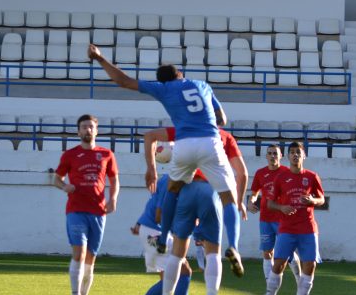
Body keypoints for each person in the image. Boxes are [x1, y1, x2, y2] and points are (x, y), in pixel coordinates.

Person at [88, 45, 244, 278]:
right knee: (228, 198)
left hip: (183, 144)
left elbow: (124, 81)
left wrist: (100, 59)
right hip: (211, 142)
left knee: (171, 190)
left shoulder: (162, 89)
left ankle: (162, 239)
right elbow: (222, 118)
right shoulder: (202, 84)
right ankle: (233, 245)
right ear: (180, 74)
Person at [142, 125, 247, 295]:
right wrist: (239, 201)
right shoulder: (225, 136)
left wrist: (152, 167)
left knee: (177, 254)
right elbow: (242, 173)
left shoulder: (186, 127)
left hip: (186, 193)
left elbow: (150, 136)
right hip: (211, 193)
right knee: (212, 253)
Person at [52, 114, 119, 295]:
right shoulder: (70, 155)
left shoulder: (106, 154)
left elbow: (114, 178)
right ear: (78, 131)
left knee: (91, 259)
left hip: (98, 211)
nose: (88, 130)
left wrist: (113, 198)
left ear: (96, 131)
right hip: (76, 210)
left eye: (91, 127)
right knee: (79, 253)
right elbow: (56, 179)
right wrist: (65, 187)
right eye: (84, 127)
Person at [254, 141, 325, 295]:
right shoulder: (280, 177)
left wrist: (313, 201)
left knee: (310, 265)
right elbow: (269, 203)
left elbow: (322, 198)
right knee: (278, 264)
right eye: (292, 152)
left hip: (308, 228)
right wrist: (281, 208)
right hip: (286, 228)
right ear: (288, 156)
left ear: (304, 155)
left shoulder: (312, 176)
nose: (295, 155)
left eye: (298, 152)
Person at [122, 173, 199, 295]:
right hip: (155, 231)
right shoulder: (174, 179)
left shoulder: (169, 177)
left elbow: (154, 201)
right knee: (183, 272)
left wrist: (139, 223)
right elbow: (159, 215)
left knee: (169, 278)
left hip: (151, 229)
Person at [248, 144, 301, 283]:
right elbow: (254, 193)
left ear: (281, 156)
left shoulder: (287, 172)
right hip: (265, 219)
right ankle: (269, 285)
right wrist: (250, 201)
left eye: (275, 153)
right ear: (266, 156)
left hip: (282, 219)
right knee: (267, 253)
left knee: (288, 252)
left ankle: (299, 280)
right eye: (270, 153)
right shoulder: (260, 173)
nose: (272, 156)